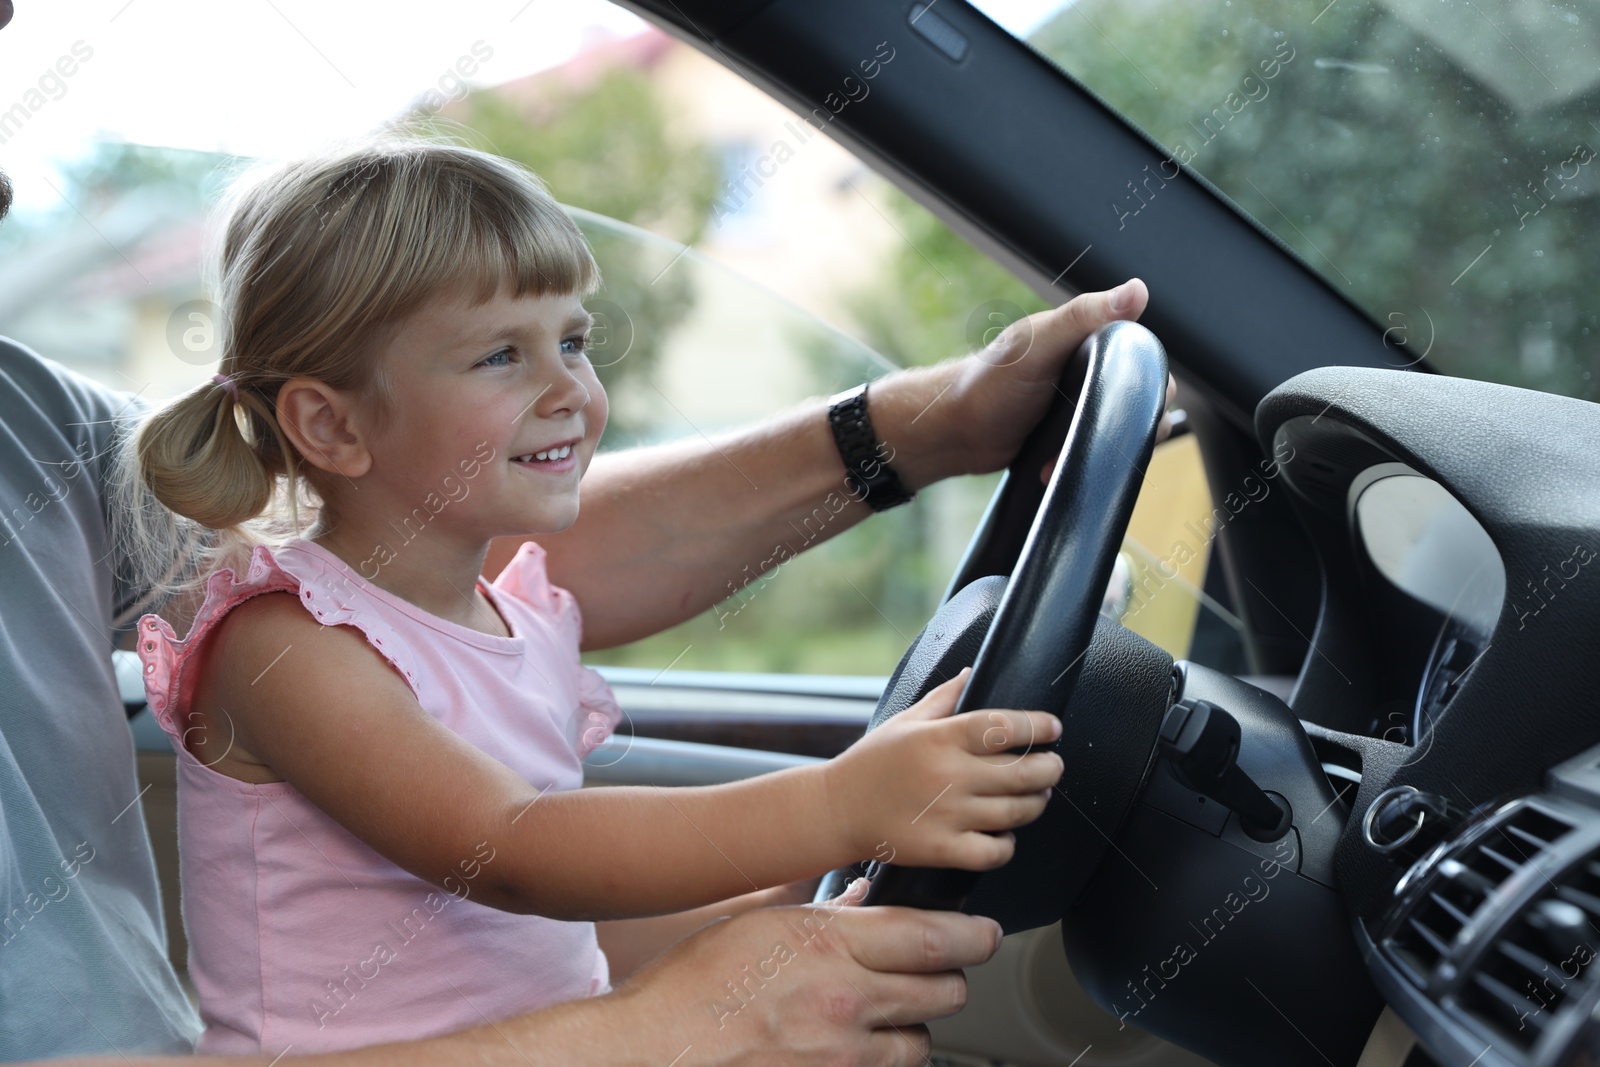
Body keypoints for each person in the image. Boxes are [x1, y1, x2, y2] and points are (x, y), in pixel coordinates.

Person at [0, 6, 1173, 1061]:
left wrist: (789, 900)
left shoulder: (511, 608)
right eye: (502, 354)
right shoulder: (283, 649)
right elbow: (510, 846)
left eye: (574, 340)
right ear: (330, 423)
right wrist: (841, 802)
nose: (568, 388)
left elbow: (515, 932)